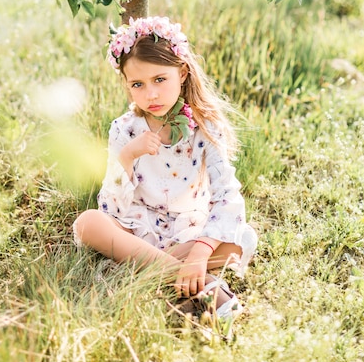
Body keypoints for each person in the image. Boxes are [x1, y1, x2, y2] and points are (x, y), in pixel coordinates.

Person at [73, 16, 257, 320]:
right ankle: (203, 283)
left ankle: (150, 271)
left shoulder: (205, 126)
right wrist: (128, 157)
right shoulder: (124, 129)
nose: (151, 94)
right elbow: (111, 208)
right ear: (127, 86)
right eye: (138, 84)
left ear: (182, 73)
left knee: (243, 239)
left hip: (189, 233)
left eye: (160, 79)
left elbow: (228, 196)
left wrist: (199, 252)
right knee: (88, 223)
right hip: (138, 228)